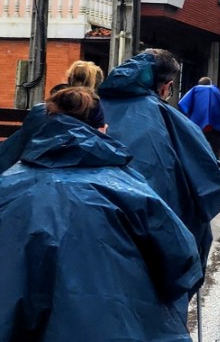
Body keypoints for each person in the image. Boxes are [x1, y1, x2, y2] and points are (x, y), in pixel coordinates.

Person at [0, 87, 202, 341]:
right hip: (124, 328)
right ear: (102, 129)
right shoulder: (128, 187)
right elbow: (182, 260)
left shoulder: (7, 186)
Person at [97, 49, 220, 302]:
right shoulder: (169, 119)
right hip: (154, 240)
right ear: (166, 87)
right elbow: (213, 187)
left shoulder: (88, 109)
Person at [0, 60, 105, 173]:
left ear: (70, 78)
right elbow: (99, 137)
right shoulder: (94, 105)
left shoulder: (53, 102)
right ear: (94, 82)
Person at [179, 76, 220, 159]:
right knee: (215, 153)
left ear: (199, 84)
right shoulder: (216, 91)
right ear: (210, 83)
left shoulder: (194, 91)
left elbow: (183, 105)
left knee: (197, 153)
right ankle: (216, 169)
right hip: (216, 129)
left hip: (198, 128)